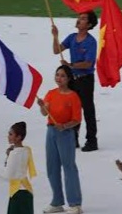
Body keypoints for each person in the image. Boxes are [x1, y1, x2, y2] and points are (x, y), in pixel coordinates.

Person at [37, 65, 83, 214]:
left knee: (69, 167)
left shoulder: (73, 96)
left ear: (68, 78)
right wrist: (42, 106)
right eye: (57, 75)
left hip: (66, 134)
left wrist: (65, 126)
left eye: (63, 75)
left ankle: (75, 203)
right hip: (51, 132)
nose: (59, 78)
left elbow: (77, 119)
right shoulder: (51, 93)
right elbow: (45, 113)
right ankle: (57, 201)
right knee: (52, 167)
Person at [52, 11, 98, 152]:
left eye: (83, 19)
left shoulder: (91, 41)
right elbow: (57, 50)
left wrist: (70, 65)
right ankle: (73, 138)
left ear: (89, 24)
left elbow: (88, 63)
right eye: (79, 18)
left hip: (85, 80)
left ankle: (92, 141)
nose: (79, 20)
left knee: (88, 109)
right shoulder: (72, 38)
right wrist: (55, 36)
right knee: (73, 108)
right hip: (73, 79)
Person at [0, 122, 37, 214]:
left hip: (18, 194)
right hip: (27, 191)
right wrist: (9, 154)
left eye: (11, 134)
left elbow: (7, 177)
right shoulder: (26, 149)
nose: (8, 136)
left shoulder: (14, 154)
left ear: (18, 137)